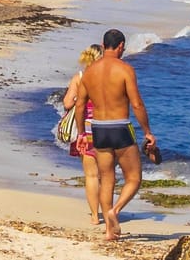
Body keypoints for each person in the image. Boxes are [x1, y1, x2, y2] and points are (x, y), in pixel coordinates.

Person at [73, 28, 156, 241]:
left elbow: (80, 106)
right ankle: (115, 211)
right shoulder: (125, 69)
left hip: (98, 128)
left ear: (102, 44)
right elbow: (136, 103)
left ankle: (109, 231)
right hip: (120, 126)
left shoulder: (89, 72)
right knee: (134, 177)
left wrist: (82, 133)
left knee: (107, 177)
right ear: (120, 47)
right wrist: (147, 131)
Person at [63, 44, 104, 225]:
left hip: (85, 129)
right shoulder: (107, 77)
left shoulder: (79, 77)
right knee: (106, 174)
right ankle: (109, 210)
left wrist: (79, 99)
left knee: (91, 175)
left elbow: (66, 104)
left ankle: (95, 215)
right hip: (106, 127)